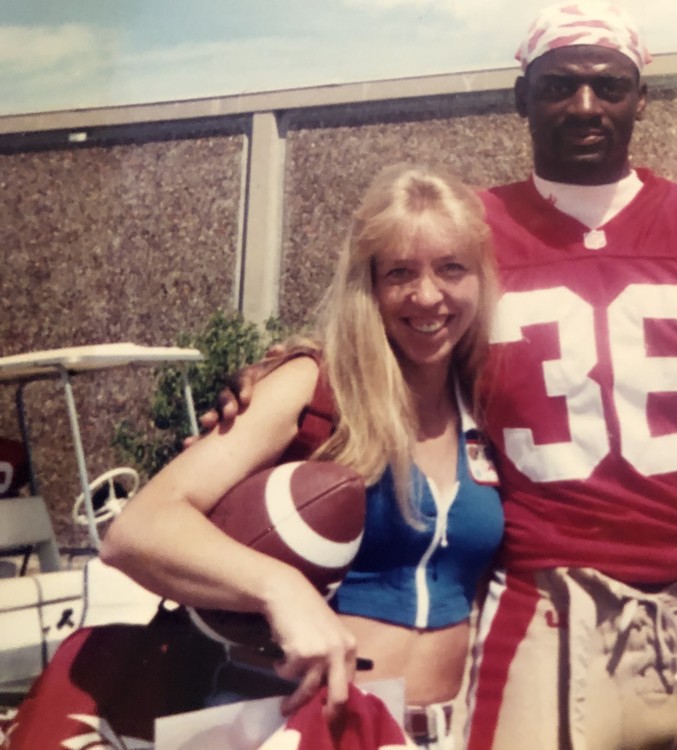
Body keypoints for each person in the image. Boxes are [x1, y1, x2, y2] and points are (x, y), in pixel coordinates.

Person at [202, 3, 677, 748]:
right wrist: (282, 372)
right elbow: (385, 331)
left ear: (641, 97)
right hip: (544, 600)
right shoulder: (470, 231)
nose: (585, 106)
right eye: (559, 85)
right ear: (522, 96)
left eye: (610, 85)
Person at [100, 162, 505, 749]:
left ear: (480, 277)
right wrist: (279, 588)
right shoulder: (313, 386)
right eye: (399, 272)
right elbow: (136, 531)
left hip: (446, 731)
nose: (427, 296)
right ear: (369, 284)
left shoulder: (487, 403)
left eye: (451, 268)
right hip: (300, 725)